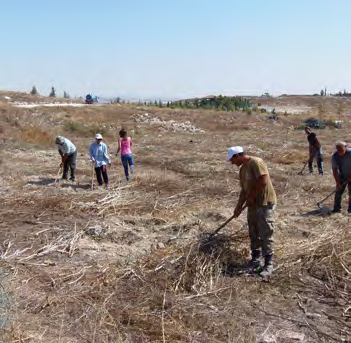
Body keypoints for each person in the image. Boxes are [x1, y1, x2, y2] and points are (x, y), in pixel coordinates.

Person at [228, 146, 277, 277]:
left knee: (266, 232)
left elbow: (263, 182)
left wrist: (251, 197)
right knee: (253, 232)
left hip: (264, 204)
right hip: (253, 205)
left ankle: (268, 264)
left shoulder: (256, 162)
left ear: (237, 156)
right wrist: (238, 207)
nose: (232, 163)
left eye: (232, 160)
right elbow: (244, 190)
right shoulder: (242, 170)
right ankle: (255, 260)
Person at [331, 141, 351, 213]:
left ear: (346, 147)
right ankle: (336, 209)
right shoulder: (335, 156)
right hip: (342, 175)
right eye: (338, 149)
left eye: (341, 149)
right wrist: (337, 183)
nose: (339, 151)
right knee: (338, 191)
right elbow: (334, 170)